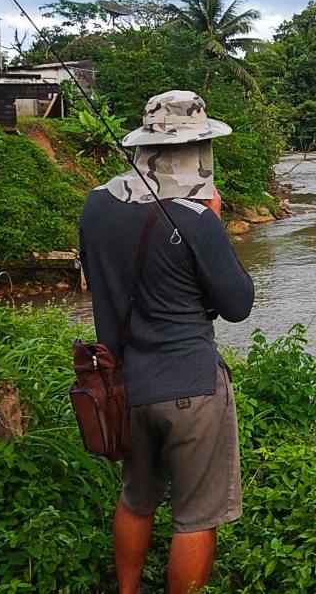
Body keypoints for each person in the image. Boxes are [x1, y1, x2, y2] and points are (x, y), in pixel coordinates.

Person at [79, 90, 254, 594]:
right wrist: (215, 226)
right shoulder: (197, 220)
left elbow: (101, 277)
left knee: (136, 499)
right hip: (191, 389)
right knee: (195, 516)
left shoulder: (96, 205)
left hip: (124, 385)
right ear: (197, 150)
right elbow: (237, 304)